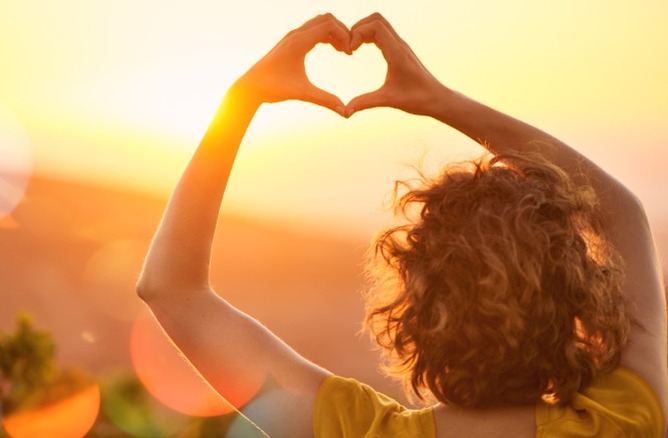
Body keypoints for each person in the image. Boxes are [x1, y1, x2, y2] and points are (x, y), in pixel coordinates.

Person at [136, 13, 667, 437]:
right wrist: (441, 101)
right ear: (577, 299)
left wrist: (241, 98)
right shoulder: (623, 422)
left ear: (415, 309)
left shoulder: (357, 430)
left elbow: (171, 289)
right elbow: (620, 212)